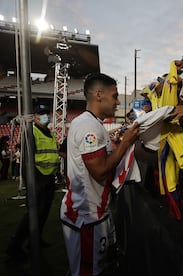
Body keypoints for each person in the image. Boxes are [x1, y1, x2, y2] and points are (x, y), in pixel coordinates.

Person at [60, 72, 140, 276]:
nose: (117, 101)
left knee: (100, 266)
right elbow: (100, 171)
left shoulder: (92, 123)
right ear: (98, 95)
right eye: (114, 96)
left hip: (93, 213)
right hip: (87, 216)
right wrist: (126, 143)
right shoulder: (88, 126)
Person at [6, 104, 60, 260]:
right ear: (35, 116)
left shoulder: (48, 132)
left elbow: (51, 154)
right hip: (37, 178)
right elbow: (26, 160)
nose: (46, 116)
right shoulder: (31, 132)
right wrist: (30, 182)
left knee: (44, 212)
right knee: (33, 214)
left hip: (49, 178)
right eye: (42, 113)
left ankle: (34, 240)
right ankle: (15, 246)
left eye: (47, 113)